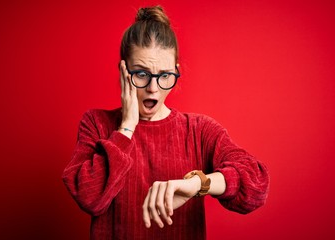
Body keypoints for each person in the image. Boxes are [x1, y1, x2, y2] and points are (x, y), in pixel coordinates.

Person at [62, 5, 269, 240]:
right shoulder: (96, 123)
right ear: (123, 71)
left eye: (164, 76)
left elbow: (256, 186)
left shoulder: (198, 130)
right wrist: (127, 127)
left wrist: (197, 184)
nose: (153, 88)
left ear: (175, 71)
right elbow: (90, 198)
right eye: (141, 74)